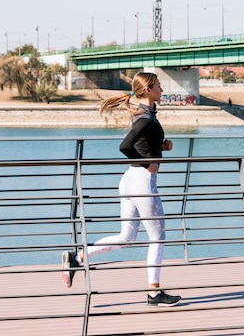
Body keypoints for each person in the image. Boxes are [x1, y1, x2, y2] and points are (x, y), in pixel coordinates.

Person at [61, 72, 181, 307]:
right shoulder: (145, 118)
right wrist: (148, 162)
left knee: (127, 237)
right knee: (158, 238)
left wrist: (160, 148)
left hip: (130, 180)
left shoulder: (145, 115)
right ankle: (154, 294)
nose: (162, 90)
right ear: (147, 90)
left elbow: (140, 144)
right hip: (142, 182)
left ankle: (76, 259)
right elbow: (125, 146)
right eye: (158, 86)